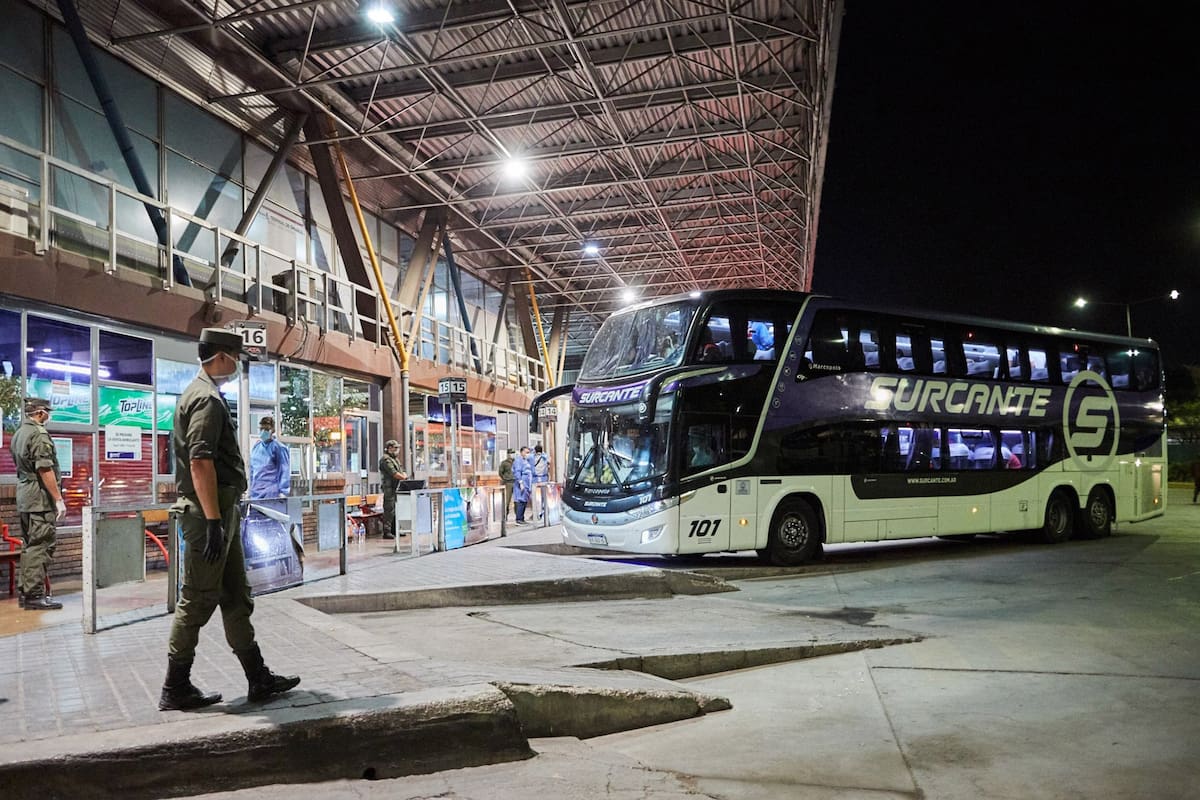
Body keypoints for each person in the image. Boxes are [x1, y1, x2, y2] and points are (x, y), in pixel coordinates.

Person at [159, 328, 299, 712]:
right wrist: (214, 521)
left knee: (237, 594)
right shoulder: (204, 398)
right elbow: (200, 461)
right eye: (235, 358)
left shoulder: (205, 394)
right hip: (209, 514)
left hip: (220, 511)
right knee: (197, 599)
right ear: (221, 356)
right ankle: (176, 686)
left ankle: (258, 678)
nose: (238, 365)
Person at [10, 396, 64, 611]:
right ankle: (34, 595)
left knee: (29, 545)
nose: (48, 416)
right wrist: (58, 499)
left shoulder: (19, 433)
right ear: (40, 413)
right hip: (39, 499)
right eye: (47, 412)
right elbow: (44, 469)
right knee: (41, 545)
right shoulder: (38, 435)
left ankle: (26, 591)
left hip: (25, 496)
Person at [249, 416, 290, 500]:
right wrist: (250, 489)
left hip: (271, 494)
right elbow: (252, 471)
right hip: (255, 493)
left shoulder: (279, 448)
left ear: (272, 430)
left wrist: (283, 492)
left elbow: (284, 471)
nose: (263, 432)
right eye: (261, 429)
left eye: (266, 429)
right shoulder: (256, 447)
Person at [379, 439, 409, 539]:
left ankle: (395, 529)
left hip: (397, 487)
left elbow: (401, 470)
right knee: (389, 509)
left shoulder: (395, 459)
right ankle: (387, 531)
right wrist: (403, 477)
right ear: (389, 448)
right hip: (389, 488)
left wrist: (404, 475)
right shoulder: (386, 459)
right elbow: (394, 473)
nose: (397, 450)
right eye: (395, 448)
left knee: (397, 509)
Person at [513, 446, 533, 523]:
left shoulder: (526, 461)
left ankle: (522, 518)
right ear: (521, 452)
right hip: (521, 483)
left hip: (527, 483)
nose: (528, 454)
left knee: (524, 501)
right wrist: (520, 482)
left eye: (529, 452)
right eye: (526, 452)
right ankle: (519, 519)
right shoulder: (518, 461)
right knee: (520, 501)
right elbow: (517, 472)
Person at [498, 449, 516, 525]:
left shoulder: (516, 462)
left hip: (515, 482)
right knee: (507, 500)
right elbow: (500, 472)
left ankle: (518, 516)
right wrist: (505, 478)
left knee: (517, 500)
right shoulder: (504, 463)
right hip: (508, 482)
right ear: (508, 454)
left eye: (513, 453)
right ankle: (505, 516)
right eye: (511, 453)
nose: (512, 454)